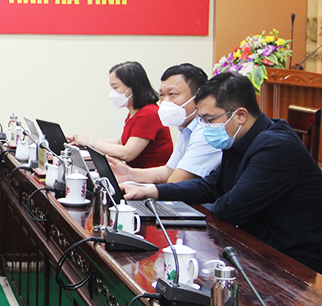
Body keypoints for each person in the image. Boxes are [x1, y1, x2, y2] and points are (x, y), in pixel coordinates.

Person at [124, 72, 322, 274]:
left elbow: (229, 208)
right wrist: (154, 191)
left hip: (293, 263)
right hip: (259, 247)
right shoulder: (240, 137)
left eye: (209, 120)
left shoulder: (276, 147)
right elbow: (212, 185)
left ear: (241, 115)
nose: (205, 127)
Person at [108, 63, 221, 184]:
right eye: (162, 95)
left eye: (172, 94)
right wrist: (128, 174)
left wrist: (145, 189)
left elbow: (176, 181)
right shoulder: (185, 129)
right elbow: (169, 171)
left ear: (198, 97)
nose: (165, 102)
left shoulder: (205, 131)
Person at [68, 61, 172, 169]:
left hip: (149, 177)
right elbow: (121, 142)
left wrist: (91, 142)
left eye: (115, 87)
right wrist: (82, 141)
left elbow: (127, 153)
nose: (112, 92)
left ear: (133, 87)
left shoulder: (149, 114)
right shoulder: (135, 113)